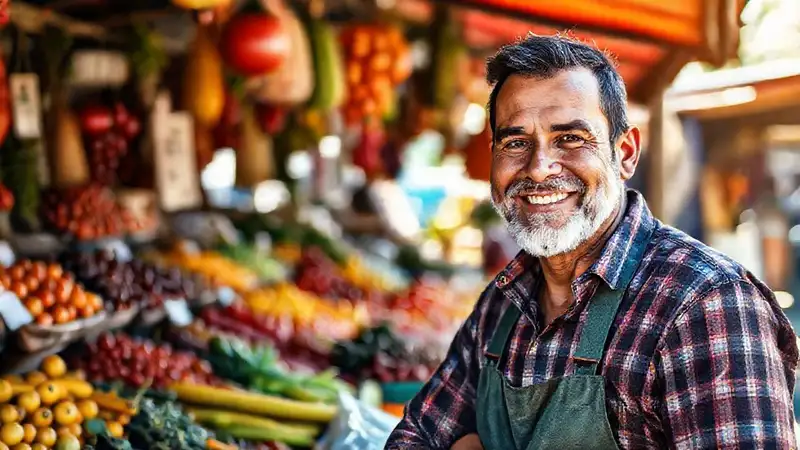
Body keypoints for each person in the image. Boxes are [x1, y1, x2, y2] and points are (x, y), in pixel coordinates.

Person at [385, 34, 799, 450]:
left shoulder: (704, 304)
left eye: (571, 139)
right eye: (515, 143)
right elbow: (417, 435)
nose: (540, 168)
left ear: (625, 153)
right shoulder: (501, 305)